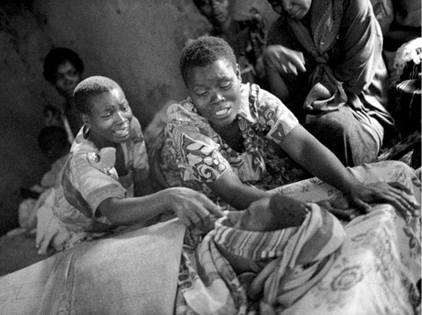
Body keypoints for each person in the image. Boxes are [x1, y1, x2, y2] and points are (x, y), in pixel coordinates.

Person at [151, 35, 418, 220]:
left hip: (252, 181)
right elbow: (231, 191)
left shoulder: (257, 100)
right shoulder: (185, 128)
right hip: (210, 195)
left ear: (237, 73)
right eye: (201, 92)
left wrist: (352, 186)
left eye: (224, 85)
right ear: (189, 93)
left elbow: (303, 146)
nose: (217, 98)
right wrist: (304, 208)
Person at [34, 75, 223, 254]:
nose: (121, 119)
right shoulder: (84, 160)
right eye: (108, 114)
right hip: (81, 220)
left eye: (123, 107)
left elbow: (142, 178)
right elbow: (113, 210)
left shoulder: (130, 128)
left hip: (118, 198)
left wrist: (149, 219)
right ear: (87, 121)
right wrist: (169, 197)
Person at [262, 0, 395, 166]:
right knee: (268, 143)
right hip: (309, 115)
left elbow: (356, 80)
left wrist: (314, 97)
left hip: (360, 110)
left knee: (332, 128)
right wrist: (270, 63)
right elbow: (282, 105)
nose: (287, 7)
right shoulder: (281, 30)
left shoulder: (351, 5)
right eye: (276, 3)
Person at [193, 0, 267, 85]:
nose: (214, 7)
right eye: (205, 3)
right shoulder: (205, 47)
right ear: (200, 10)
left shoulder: (252, 27)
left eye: (219, 0)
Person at [42, 47, 85, 143]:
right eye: (60, 77)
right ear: (53, 82)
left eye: (72, 73)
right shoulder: (66, 113)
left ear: (80, 73)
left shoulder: (98, 100)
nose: (67, 82)